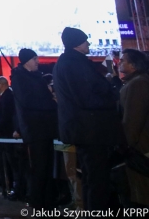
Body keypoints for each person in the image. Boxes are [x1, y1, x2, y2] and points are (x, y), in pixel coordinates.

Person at [53, 27, 120, 211]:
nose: (88, 43)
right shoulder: (75, 64)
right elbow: (87, 97)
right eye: (85, 41)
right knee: (97, 179)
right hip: (90, 130)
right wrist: (112, 97)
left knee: (92, 177)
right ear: (77, 43)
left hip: (83, 129)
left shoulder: (67, 63)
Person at [11, 48, 59, 209]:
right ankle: (39, 203)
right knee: (39, 168)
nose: (38, 62)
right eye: (34, 59)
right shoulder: (19, 78)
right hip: (35, 129)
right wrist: (51, 103)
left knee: (47, 167)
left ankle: (47, 200)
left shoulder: (36, 76)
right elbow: (28, 101)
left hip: (45, 128)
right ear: (26, 62)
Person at [118, 48, 149, 205]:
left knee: (142, 193)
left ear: (134, 65)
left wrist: (127, 146)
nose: (119, 63)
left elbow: (133, 119)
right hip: (140, 146)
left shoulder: (138, 84)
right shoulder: (136, 82)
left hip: (141, 148)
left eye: (123, 60)